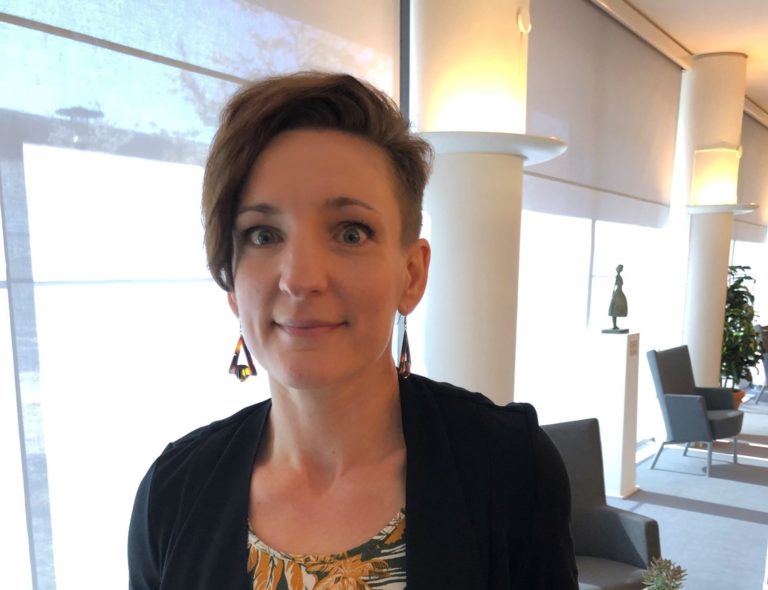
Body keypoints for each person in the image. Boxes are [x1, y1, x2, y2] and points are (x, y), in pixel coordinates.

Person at [128, 72, 578, 589]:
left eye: (350, 232)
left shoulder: (509, 468)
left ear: (411, 274)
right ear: (231, 282)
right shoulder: (173, 492)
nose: (300, 278)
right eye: (263, 234)